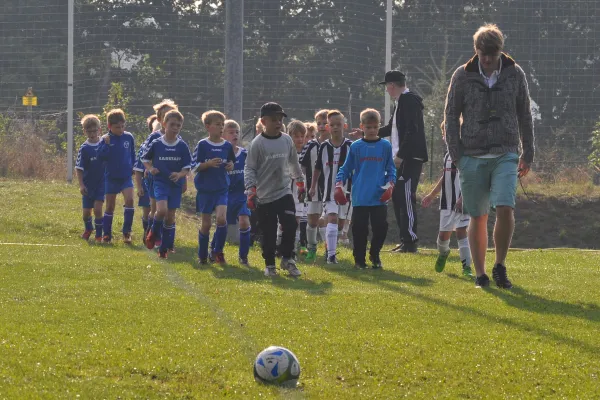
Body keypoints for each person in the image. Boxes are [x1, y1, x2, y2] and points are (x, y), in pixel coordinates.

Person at [444, 23, 534, 288]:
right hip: (471, 155)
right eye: (483, 54)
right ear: (476, 51)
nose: (487, 59)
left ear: (500, 52)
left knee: (505, 207)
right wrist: (456, 154)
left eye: (492, 55)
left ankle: (500, 266)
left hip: (505, 152)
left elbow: (525, 114)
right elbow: (450, 115)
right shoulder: (462, 75)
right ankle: (481, 273)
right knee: (478, 215)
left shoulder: (515, 74)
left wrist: (528, 151)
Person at [244, 102, 305, 277]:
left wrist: (300, 183)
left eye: (280, 119)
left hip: (283, 191)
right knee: (269, 232)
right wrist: (251, 189)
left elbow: (293, 162)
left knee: (291, 223)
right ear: (263, 121)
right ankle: (270, 265)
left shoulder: (286, 140)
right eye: (274, 119)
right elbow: (250, 168)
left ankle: (288, 259)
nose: (278, 123)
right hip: (264, 196)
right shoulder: (257, 144)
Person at [336, 109, 396, 269]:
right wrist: (338, 184)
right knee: (359, 230)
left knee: (381, 228)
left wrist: (391, 184)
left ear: (379, 126)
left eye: (375, 127)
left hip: (379, 196)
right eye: (368, 127)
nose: (372, 130)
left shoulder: (385, 146)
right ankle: (359, 260)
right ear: (362, 126)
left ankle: (375, 255)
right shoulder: (356, 147)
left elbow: (391, 168)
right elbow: (345, 168)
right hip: (360, 196)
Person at [377, 70, 428, 253]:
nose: (387, 91)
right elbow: (392, 128)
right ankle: (405, 238)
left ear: (392, 85)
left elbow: (412, 130)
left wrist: (401, 155)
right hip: (402, 158)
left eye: (387, 87)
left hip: (409, 158)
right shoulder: (401, 103)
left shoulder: (408, 101)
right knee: (398, 196)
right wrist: (370, 134)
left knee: (405, 196)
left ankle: (410, 241)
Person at [421, 122, 473, 276]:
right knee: (443, 239)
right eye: (445, 133)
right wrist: (431, 195)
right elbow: (445, 178)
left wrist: (462, 198)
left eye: (451, 133)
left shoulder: (465, 154)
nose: (447, 136)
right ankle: (444, 253)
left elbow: (470, 178)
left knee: (462, 232)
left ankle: (467, 268)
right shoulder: (447, 156)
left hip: (462, 202)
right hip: (446, 203)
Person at [142, 110, 191, 258]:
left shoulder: (182, 146)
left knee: (170, 217)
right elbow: (145, 160)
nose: (175, 127)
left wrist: (180, 174)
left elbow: (187, 167)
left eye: (178, 125)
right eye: (172, 124)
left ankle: (163, 249)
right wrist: (151, 169)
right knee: (161, 210)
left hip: (175, 185)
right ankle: (153, 233)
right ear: (164, 124)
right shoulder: (157, 143)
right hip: (160, 182)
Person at [309, 110, 352, 264]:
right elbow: (318, 168)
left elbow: (356, 168)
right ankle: (331, 256)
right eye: (332, 125)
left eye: (338, 124)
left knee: (340, 224)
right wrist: (313, 186)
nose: (335, 127)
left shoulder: (350, 146)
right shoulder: (324, 147)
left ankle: (331, 246)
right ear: (328, 127)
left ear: (344, 126)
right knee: (331, 219)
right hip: (329, 192)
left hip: (347, 192)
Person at [192, 110, 235, 265]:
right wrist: (208, 164)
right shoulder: (202, 145)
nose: (221, 127)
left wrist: (231, 165)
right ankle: (202, 255)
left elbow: (231, 162)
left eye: (222, 124)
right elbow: (194, 166)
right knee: (206, 224)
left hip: (221, 189)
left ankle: (217, 251)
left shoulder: (227, 146)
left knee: (222, 219)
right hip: (205, 190)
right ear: (208, 126)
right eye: (218, 124)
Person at [134, 100, 178, 248]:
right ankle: (153, 235)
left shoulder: (178, 139)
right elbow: (144, 158)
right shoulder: (153, 137)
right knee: (155, 210)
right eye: (165, 115)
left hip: (172, 181)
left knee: (170, 213)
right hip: (155, 180)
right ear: (160, 119)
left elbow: (183, 161)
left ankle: (167, 242)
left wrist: (183, 179)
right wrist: (148, 168)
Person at [97, 109, 136, 244]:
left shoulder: (128, 137)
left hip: (126, 177)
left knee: (130, 200)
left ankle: (127, 232)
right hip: (111, 178)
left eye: (122, 126)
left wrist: (133, 167)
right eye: (117, 127)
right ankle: (106, 234)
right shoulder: (105, 139)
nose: (120, 129)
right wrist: (106, 145)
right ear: (109, 127)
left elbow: (132, 153)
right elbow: (101, 157)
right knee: (110, 206)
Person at [219, 119, 252, 265]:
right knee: (222, 224)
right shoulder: (220, 155)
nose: (235, 135)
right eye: (231, 132)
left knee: (244, 221)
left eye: (237, 132)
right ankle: (216, 251)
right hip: (225, 196)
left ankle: (243, 256)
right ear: (223, 135)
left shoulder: (245, 155)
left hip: (242, 195)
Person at [300, 109, 330, 262]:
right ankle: (312, 248)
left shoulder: (336, 145)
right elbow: (302, 166)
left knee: (327, 220)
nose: (322, 126)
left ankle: (329, 249)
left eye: (325, 123)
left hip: (330, 190)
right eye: (319, 123)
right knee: (312, 220)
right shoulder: (311, 145)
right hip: (313, 190)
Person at [75, 114, 105, 242]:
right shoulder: (85, 148)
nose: (92, 134)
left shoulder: (104, 144)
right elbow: (79, 168)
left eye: (94, 131)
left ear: (100, 130)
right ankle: (88, 229)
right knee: (87, 212)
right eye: (89, 131)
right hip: (88, 185)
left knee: (98, 210)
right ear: (84, 131)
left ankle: (99, 234)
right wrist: (81, 185)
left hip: (101, 184)